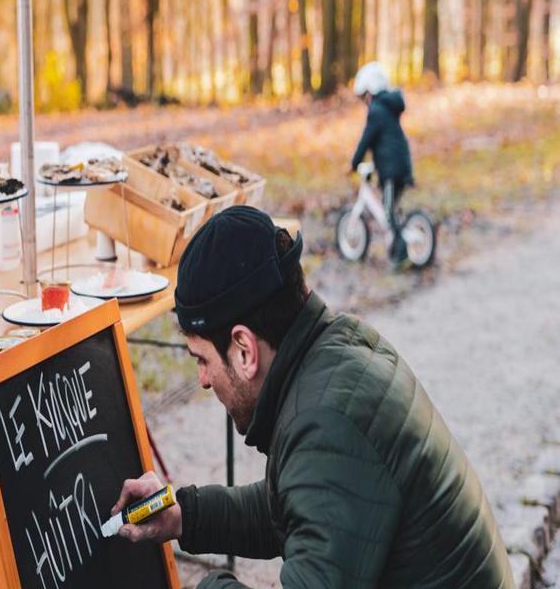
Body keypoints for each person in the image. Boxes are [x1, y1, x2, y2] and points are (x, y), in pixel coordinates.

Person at [109, 206, 513, 588]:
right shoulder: (336, 350)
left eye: (202, 360)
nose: (202, 380)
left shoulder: (328, 424)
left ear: (244, 350)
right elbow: (290, 508)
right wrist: (183, 515)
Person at [351, 61, 414, 264]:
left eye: (365, 97)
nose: (365, 102)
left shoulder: (377, 111)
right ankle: (398, 241)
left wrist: (354, 163)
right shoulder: (388, 108)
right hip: (400, 165)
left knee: (388, 212)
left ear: (371, 92)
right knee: (392, 208)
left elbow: (366, 140)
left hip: (391, 171)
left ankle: (401, 253)